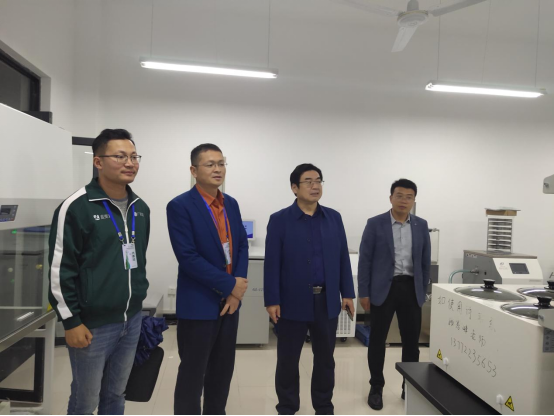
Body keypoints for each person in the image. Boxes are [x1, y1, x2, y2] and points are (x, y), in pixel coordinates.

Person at [48, 129, 150, 415]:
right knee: (86, 400)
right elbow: (59, 270)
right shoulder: (76, 207)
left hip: (131, 319)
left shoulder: (140, 208)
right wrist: (71, 321)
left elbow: (138, 261)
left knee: (116, 395)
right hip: (91, 325)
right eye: (120, 156)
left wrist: (137, 306)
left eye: (134, 157)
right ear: (98, 162)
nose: (129, 163)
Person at [265, 163, 356, 416]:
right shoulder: (280, 220)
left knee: (325, 359)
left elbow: (342, 258)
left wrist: (347, 293)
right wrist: (272, 300)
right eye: (308, 181)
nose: (315, 186)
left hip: (326, 301)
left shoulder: (334, 218)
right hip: (291, 301)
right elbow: (272, 263)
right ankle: (287, 407)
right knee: (287, 360)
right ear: (294, 188)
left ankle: (324, 407)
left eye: (318, 181)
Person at [167, 144, 249, 415]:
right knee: (192, 374)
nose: (218, 169)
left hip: (230, 304)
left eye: (221, 163)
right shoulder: (180, 206)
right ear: (194, 170)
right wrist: (230, 285)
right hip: (198, 303)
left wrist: (237, 288)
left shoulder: (231, 204)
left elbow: (241, 246)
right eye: (210, 164)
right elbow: (188, 257)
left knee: (222, 371)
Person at [358, 179, 431, 411]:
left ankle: (408, 386)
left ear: (414, 200)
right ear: (391, 198)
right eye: (399, 195)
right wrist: (364, 291)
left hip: (410, 289)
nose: (403, 201)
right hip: (383, 290)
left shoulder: (421, 225)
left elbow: (425, 262)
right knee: (377, 340)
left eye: (409, 197)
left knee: (411, 343)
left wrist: (423, 290)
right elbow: (365, 260)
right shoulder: (375, 223)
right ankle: (376, 387)